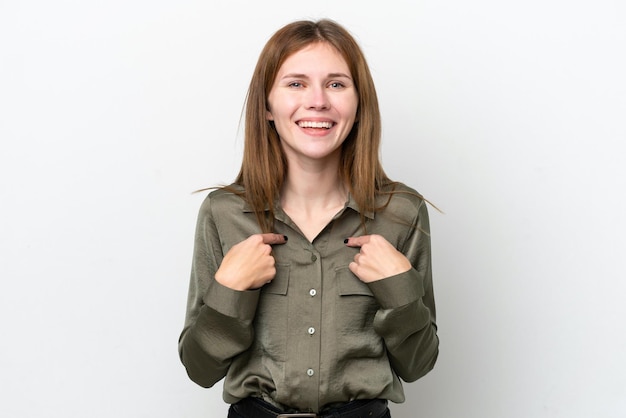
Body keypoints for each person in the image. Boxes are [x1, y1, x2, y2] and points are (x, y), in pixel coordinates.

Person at [179, 19, 439, 418]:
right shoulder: (223, 213)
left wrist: (399, 288)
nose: (317, 101)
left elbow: (418, 365)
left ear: (358, 102)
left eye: (336, 84)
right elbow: (200, 369)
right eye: (296, 83)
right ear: (267, 105)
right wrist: (230, 290)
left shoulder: (401, 212)